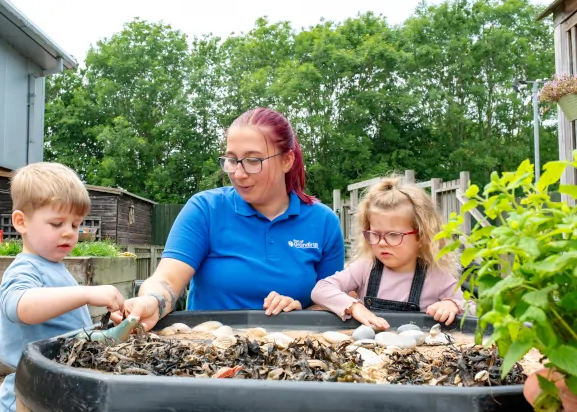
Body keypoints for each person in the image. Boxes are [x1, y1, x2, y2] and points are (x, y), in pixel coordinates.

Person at [118, 107, 345, 331]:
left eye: (253, 160)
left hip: (287, 355)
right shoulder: (205, 209)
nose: (238, 173)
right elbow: (167, 280)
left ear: (287, 160)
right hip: (205, 352)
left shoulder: (323, 222)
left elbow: (330, 304)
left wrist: (301, 312)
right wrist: (152, 302)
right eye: (231, 160)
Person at [0, 162, 125, 412]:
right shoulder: (25, 268)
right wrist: (85, 293)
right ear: (21, 222)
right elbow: (22, 307)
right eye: (57, 224)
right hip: (30, 393)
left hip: (58, 386)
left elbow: (67, 326)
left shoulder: (54, 267)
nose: (69, 233)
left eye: (75, 225)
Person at [311, 175, 475, 329]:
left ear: (421, 236)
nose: (382, 243)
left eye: (393, 235)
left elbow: (472, 310)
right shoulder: (365, 268)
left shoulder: (436, 276)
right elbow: (321, 289)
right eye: (375, 234)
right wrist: (353, 307)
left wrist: (452, 305)